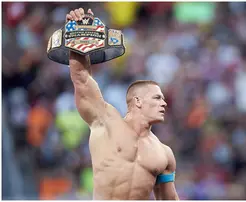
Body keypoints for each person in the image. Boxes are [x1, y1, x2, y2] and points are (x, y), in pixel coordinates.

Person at [65, 8, 179, 200]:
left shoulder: (164, 154)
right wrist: (82, 31)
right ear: (138, 101)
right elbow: (81, 78)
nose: (164, 104)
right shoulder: (106, 122)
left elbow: (169, 199)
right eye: (157, 98)